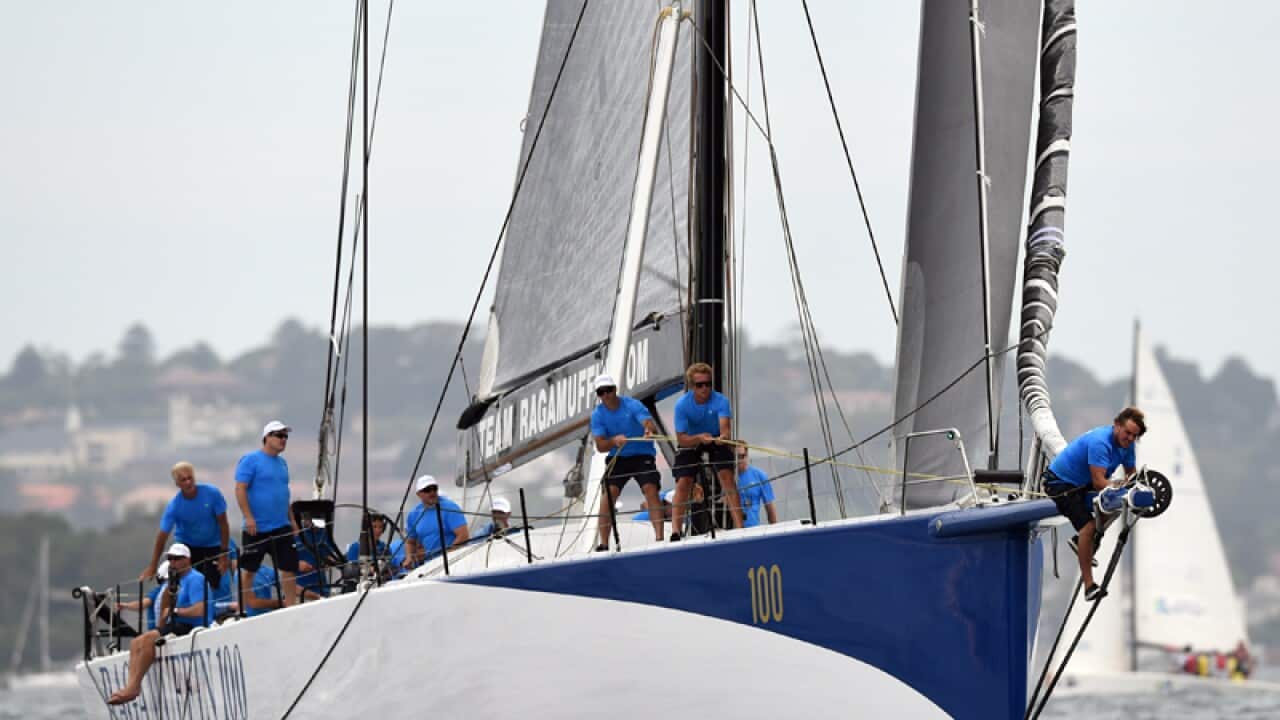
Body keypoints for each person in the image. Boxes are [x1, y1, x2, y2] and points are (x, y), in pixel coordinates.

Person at [1043, 407, 1145, 601]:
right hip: (1060, 484)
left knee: (1116, 503)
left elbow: (1131, 474)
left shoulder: (1128, 445)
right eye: (1127, 433)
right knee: (1088, 527)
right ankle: (1089, 586)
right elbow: (1099, 483)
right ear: (1116, 426)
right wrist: (1120, 486)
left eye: (1134, 436)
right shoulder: (1101, 443)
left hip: (1084, 482)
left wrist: (1134, 487)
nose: (1130, 438)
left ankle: (1080, 541)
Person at [107, 544, 211, 705]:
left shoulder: (195, 579)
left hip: (190, 625)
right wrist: (166, 608)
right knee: (136, 642)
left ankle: (134, 687)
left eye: (177, 559)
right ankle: (130, 685)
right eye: (170, 559)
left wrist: (176, 611)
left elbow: (200, 609)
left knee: (149, 638)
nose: (172, 562)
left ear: (187, 560)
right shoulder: (173, 582)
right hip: (174, 624)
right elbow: (163, 613)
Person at [589, 374, 663, 548]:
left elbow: (648, 423)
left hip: (642, 454)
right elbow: (600, 446)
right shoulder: (597, 415)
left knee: (650, 489)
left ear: (615, 390)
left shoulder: (632, 404)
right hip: (618, 457)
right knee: (609, 496)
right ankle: (604, 544)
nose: (606, 395)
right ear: (598, 395)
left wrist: (648, 430)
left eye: (608, 390)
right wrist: (613, 441)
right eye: (601, 392)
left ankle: (660, 538)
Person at [671, 363, 743, 539]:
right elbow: (681, 439)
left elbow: (725, 429)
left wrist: (722, 438)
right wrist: (698, 438)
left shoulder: (721, 401)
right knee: (684, 481)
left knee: (727, 477)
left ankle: (741, 527)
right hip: (691, 439)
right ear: (691, 386)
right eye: (699, 385)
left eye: (708, 384)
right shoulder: (682, 405)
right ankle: (675, 531)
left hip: (715, 438)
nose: (704, 388)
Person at [235, 420, 301, 608]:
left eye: (285, 436)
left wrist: (293, 521)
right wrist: (248, 517)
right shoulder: (250, 460)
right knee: (249, 569)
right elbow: (240, 489)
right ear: (267, 438)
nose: (283, 440)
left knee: (289, 568)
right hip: (257, 527)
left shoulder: (282, 464)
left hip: (281, 525)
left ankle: (290, 606)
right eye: (279, 436)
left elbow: (284, 493)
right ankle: (242, 607)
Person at [140, 462, 230, 589]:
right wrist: (153, 565)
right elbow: (162, 536)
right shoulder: (174, 506)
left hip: (212, 545)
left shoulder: (212, 493)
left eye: (190, 478)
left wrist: (224, 554)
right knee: (182, 584)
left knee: (211, 585)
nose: (188, 482)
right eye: (183, 480)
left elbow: (223, 524)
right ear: (177, 484)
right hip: (187, 546)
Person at [403, 475, 469, 568]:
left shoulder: (450, 507)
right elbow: (410, 542)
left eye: (434, 488)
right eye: (427, 490)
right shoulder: (414, 514)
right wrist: (409, 557)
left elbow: (463, 536)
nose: (432, 492)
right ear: (418, 494)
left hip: (453, 562)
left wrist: (447, 556)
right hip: (429, 564)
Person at [294, 514, 342, 598]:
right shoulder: (294, 535)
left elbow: (330, 556)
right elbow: (282, 561)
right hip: (300, 592)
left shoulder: (326, 534)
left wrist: (331, 562)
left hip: (322, 591)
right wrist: (296, 564)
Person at [117, 561, 169, 631]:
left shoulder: (159, 590)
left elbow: (142, 605)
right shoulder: (181, 586)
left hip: (157, 630)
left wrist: (125, 605)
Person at [735, 447, 777, 528]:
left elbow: (770, 508)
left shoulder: (760, 475)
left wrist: (775, 531)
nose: (737, 460)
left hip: (752, 529)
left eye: (740, 456)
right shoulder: (727, 477)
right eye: (735, 457)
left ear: (746, 456)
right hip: (730, 530)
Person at [345, 513, 396, 578]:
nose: (378, 530)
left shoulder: (385, 547)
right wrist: (369, 569)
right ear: (367, 528)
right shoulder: (355, 547)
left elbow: (391, 567)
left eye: (380, 527)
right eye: (374, 527)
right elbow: (349, 570)